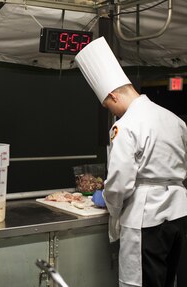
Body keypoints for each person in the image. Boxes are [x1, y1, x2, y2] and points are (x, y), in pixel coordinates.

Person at [75, 37, 187, 287]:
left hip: (146, 217)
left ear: (113, 97)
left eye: (107, 106)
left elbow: (120, 182)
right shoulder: (174, 119)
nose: (111, 112)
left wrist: (108, 199)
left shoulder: (125, 126)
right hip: (179, 213)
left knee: (138, 282)